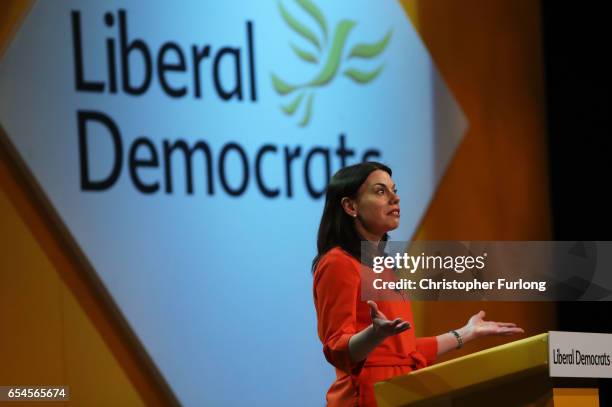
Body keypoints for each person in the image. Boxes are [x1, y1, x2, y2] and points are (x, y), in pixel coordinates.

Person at [312, 162, 524, 406]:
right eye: (381, 191)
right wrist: (374, 334)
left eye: (394, 189)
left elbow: (406, 352)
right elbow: (337, 350)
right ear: (351, 206)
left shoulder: (382, 266)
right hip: (367, 397)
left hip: (401, 393)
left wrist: (467, 332)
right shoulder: (337, 263)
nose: (395, 198)